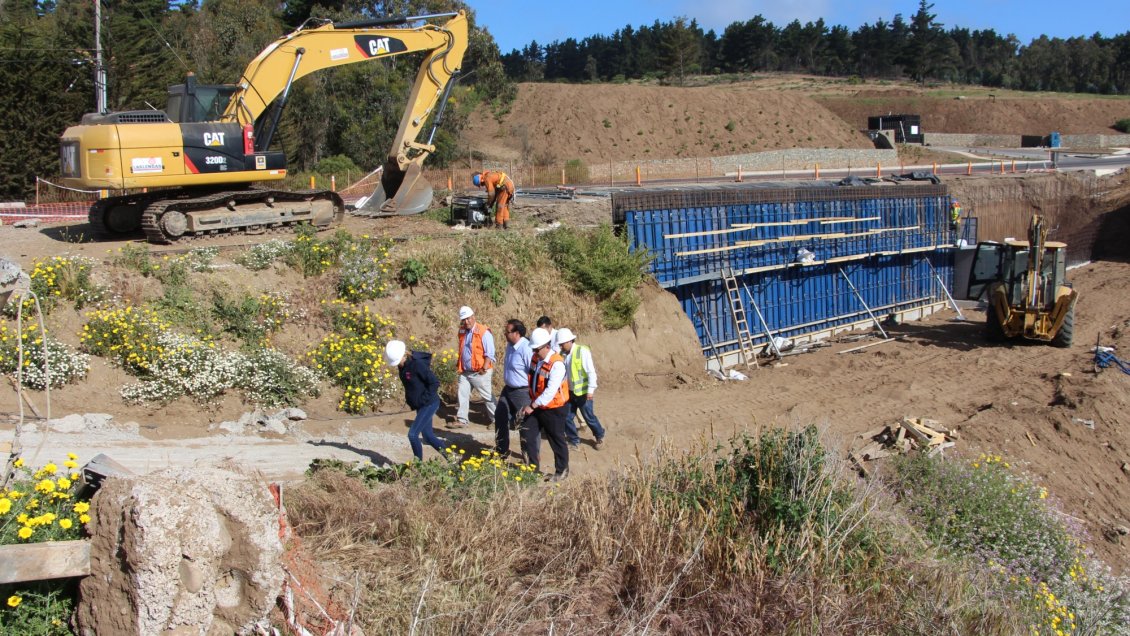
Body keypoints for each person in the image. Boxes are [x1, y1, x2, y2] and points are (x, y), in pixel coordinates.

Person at [519, 328, 570, 481]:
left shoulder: (557, 364)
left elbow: (550, 392)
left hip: (554, 409)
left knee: (556, 440)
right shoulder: (535, 358)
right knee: (527, 433)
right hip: (538, 405)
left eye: (536, 348)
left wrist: (532, 406)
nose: (534, 351)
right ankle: (533, 470)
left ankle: (561, 471)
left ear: (546, 346)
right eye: (533, 348)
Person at [386, 340, 445, 462]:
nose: (397, 364)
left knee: (412, 435)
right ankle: (453, 459)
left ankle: (418, 466)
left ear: (404, 355)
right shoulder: (402, 366)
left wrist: (422, 399)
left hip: (429, 403)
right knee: (428, 437)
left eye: (398, 361)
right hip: (421, 405)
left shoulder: (417, 365)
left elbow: (434, 382)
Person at [556, 328, 607, 449]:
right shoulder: (562, 354)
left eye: (562, 344)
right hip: (569, 392)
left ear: (569, 341)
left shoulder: (582, 351)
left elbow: (591, 372)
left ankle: (600, 436)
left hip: (583, 393)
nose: (561, 346)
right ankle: (574, 440)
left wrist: (590, 390)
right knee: (567, 417)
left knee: (589, 417)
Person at [452, 305, 496, 428]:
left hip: (480, 371)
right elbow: (462, 349)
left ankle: (498, 420)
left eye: (468, 318)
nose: (466, 322)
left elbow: (490, 353)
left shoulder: (483, 332)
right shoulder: (461, 331)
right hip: (466, 371)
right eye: (464, 319)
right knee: (462, 394)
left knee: (487, 396)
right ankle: (462, 420)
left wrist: (484, 368)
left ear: (473, 317)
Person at [494, 319, 533, 457]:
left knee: (525, 424)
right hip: (508, 390)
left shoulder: (526, 348)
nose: (505, 333)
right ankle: (501, 452)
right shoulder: (510, 345)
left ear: (517, 333)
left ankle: (529, 456)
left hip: (522, 392)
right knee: (500, 416)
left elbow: (533, 372)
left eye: (507, 331)